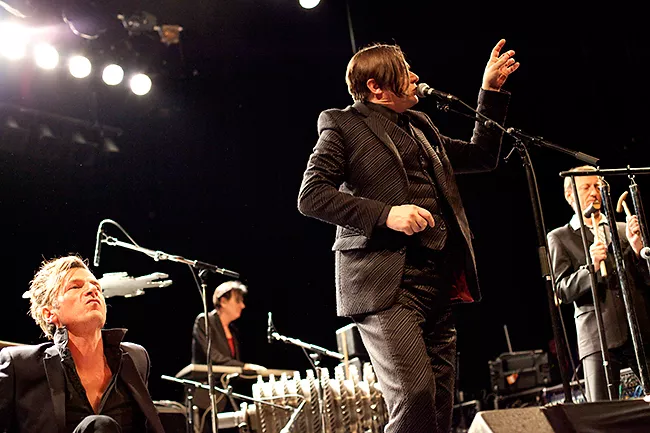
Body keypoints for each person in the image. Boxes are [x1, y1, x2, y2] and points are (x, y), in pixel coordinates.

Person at [297, 39, 519, 433]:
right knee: (414, 395)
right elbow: (312, 196)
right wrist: (387, 214)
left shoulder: (420, 124)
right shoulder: (342, 124)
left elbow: (481, 156)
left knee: (439, 406)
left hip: (438, 282)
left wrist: (490, 93)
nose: (415, 76)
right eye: (404, 71)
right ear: (375, 87)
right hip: (385, 287)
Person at [0, 255, 165, 433]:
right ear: (49, 313)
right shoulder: (20, 366)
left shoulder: (135, 358)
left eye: (96, 286)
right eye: (75, 287)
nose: (92, 290)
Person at [547, 165, 650, 401]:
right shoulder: (560, 237)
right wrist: (590, 267)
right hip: (596, 337)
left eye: (597, 186)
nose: (594, 192)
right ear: (570, 196)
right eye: (586, 187)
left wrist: (638, 251)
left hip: (638, 330)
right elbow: (562, 290)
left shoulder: (622, 230)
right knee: (602, 409)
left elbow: (645, 279)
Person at [191, 280, 264, 372]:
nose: (242, 306)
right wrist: (244, 366)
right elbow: (213, 356)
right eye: (238, 301)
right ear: (223, 301)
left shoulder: (233, 329)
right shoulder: (204, 321)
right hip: (204, 379)